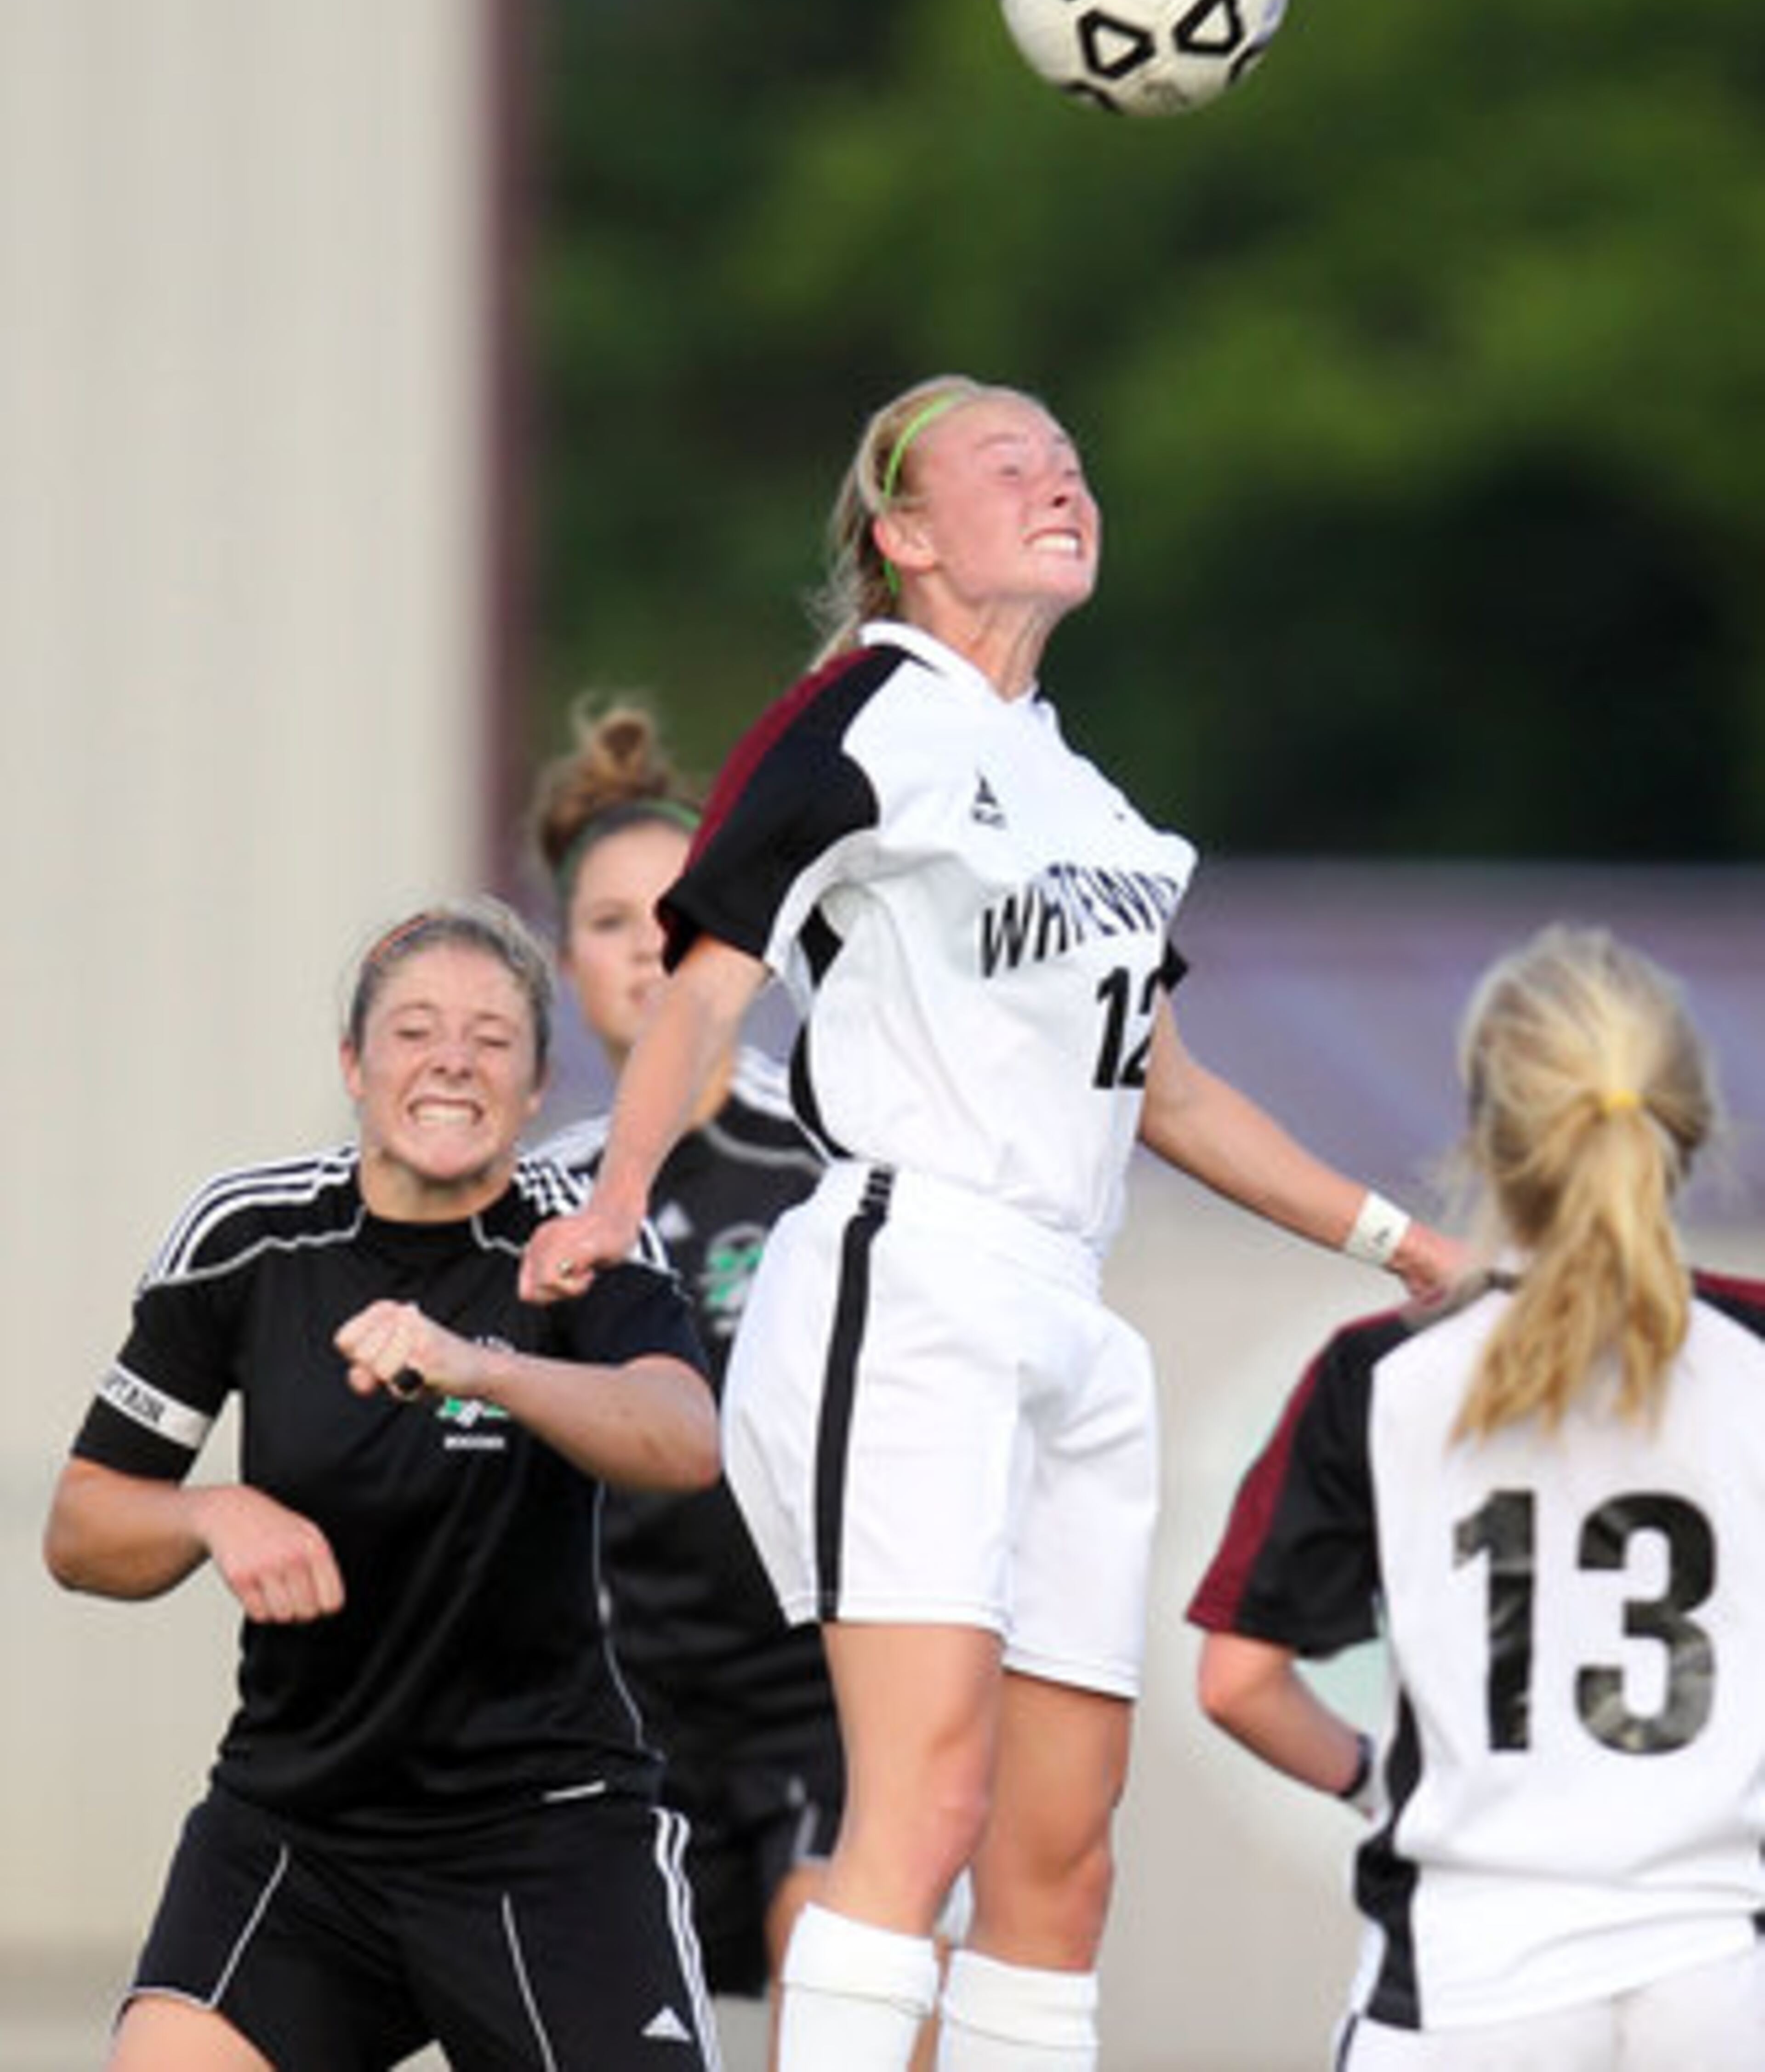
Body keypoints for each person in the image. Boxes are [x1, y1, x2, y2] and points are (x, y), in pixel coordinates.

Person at [515, 375, 1461, 2072]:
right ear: (902, 533)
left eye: (1073, 460)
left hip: (1072, 1313)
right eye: (1008, 462)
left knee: (1064, 1856)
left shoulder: (1079, 790)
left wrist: (1404, 1241)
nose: (1061, 481)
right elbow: (704, 981)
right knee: (928, 1797)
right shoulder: (860, 716)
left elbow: (1168, 1094)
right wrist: (620, 1191)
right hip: (914, 1267)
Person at [43, 896, 724, 2072]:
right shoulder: (246, 1235)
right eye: (413, 1030)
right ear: (355, 1066)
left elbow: (682, 1437)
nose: (452, 1057)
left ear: (535, 1082)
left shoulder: (576, 1242)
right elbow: (83, 1527)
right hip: (301, 1831)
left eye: (491, 1037)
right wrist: (211, 1510)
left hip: (547, 1831)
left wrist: (487, 1369)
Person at [1189, 924, 1765, 2068]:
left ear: (1490, 1134)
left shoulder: (1384, 1373)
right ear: (1686, 1124)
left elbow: (1239, 1682)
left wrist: (1373, 1779)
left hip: (1465, 1978)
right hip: (1725, 1971)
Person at [530, 696, 860, 2055]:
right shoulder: (543, 1202)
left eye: (675, 913)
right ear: (566, 959)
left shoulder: (835, 1154)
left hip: (823, 1681)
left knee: (847, 1990)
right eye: (609, 923)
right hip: (618, 1698)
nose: (646, 950)